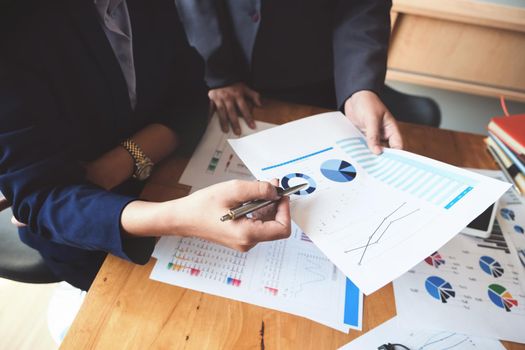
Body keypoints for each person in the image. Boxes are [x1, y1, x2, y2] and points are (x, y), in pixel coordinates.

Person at [0, 0, 290, 291]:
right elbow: (45, 199)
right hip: (91, 238)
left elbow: (189, 97)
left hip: (163, 180)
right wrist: (180, 217)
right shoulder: (15, 31)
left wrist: (111, 168)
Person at [175, 0, 403, 155]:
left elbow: (361, 6)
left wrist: (358, 89)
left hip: (316, 77)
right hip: (219, 71)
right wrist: (219, 72)